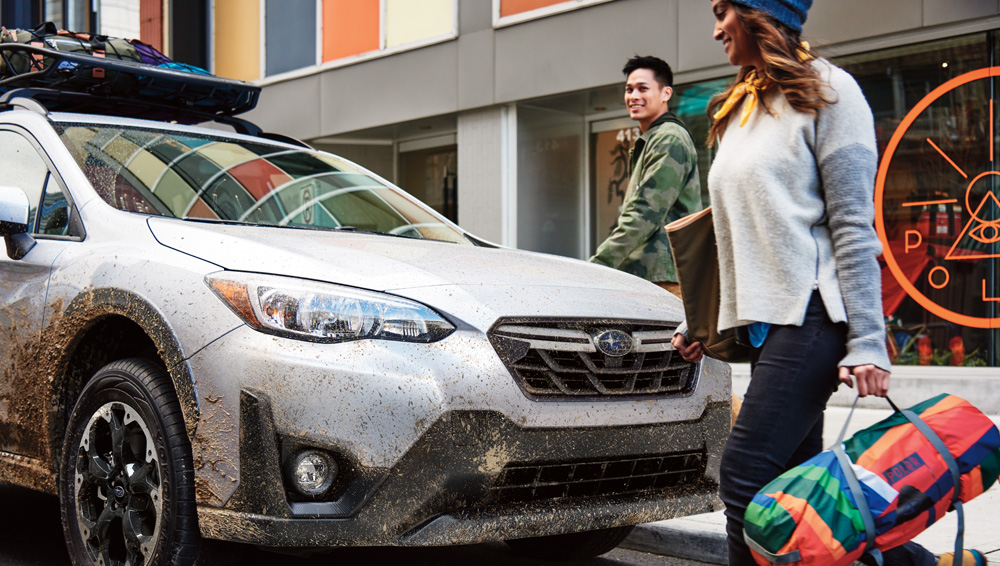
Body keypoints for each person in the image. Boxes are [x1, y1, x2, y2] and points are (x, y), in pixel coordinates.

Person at [670, 2, 987, 566]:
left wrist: (869, 339)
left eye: (725, 11)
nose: (716, 28)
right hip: (769, 327)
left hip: (814, 317)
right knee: (805, 503)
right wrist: (703, 319)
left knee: (744, 480)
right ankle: (933, 564)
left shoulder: (830, 93)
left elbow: (852, 227)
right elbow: (732, 233)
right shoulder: (741, 106)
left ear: (760, 14)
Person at [590, 55, 702, 298]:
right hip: (652, 277)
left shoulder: (668, 138)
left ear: (666, 93)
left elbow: (645, 212)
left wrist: (596, 267)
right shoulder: (653, 138)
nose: (633, 96)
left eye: (643, 88)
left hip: (665, 278)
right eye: (629, 89)